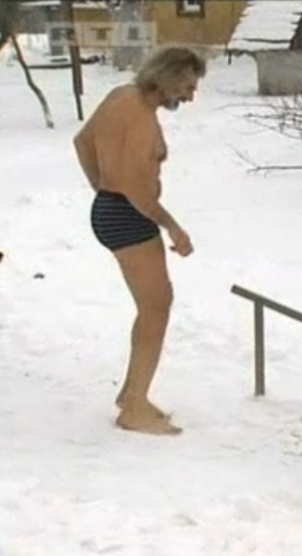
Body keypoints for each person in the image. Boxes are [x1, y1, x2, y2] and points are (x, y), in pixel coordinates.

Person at [72, 47, 206, 435]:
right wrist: (172, 226)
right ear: (167, 76)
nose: (189, 96)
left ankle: (132, 394)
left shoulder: (121, 96)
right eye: (187, 86)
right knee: (157, 307)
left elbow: (82, 142)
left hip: (111, 208)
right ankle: (134, 407)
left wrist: (102, 187)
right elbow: (136, 187)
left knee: (153, 305)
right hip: (128, 215)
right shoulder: (141, 118)